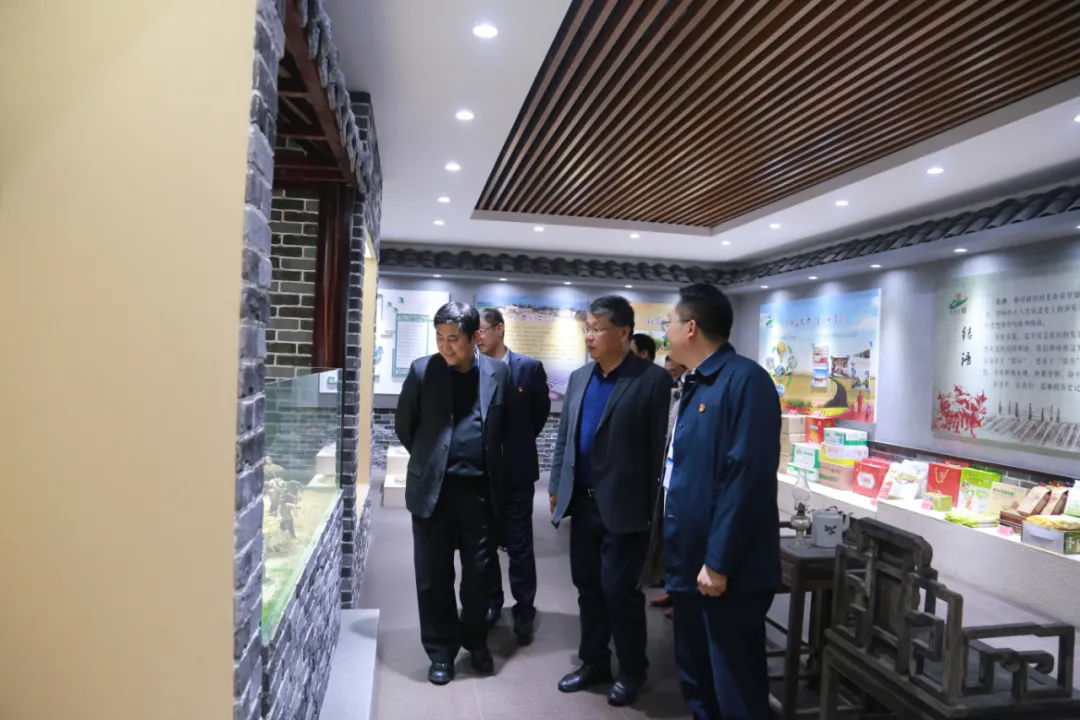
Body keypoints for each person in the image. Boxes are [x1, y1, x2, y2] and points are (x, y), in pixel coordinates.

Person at [662, 283, 781, 720]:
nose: (665, 332)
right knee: (696, 675)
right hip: (689, 560)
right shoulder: (695, 383)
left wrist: (718, 561)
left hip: (727, 571)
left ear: (691, 327)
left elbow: (745, 478)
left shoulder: (745, 382)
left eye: (669, 323)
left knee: (734, 683)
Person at [549, 295, 671, 707]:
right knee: (587, 588)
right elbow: (565, 437)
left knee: (619, 591)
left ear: (623, 333)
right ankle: (594, 661)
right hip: (583, 504)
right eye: (587, 328)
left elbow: (658, 452)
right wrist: (557, 484)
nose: (590, 336)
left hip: (625, 507)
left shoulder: (651, 381)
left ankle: (633, 670)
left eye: (598, 329)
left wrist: (652, 510)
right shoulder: (580, 377)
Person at [395, 302, 513, 686]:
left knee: (479, 577)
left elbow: (507, 430)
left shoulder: (498, 373)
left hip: (479, 494)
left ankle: (475, 640)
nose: (446, 347)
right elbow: (405, 426)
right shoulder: (422, 371)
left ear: (476, 337)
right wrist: (432, 462)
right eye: (440, 338)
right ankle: (441, 650)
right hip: (434, 492)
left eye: (454, 339)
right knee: (433, 577)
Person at [476, 307, 551, 644]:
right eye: (474, 333)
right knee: (485, 545)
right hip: (482, 476)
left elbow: (539, 414)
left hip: (517, 474)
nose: (477, 337)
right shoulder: (472, 368)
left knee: (520, 546)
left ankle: (524, 610)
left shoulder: (528, 368)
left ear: (499, 329)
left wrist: (516, 444)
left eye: (481, 330)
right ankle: (493, 603)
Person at [642, 354, 689, 618]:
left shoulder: (695, 388)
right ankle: (673, 588)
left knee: (681, 538)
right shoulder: (676, 389)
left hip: (683, 475)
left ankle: (683, 597)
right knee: (668, 535)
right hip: (667, 471)